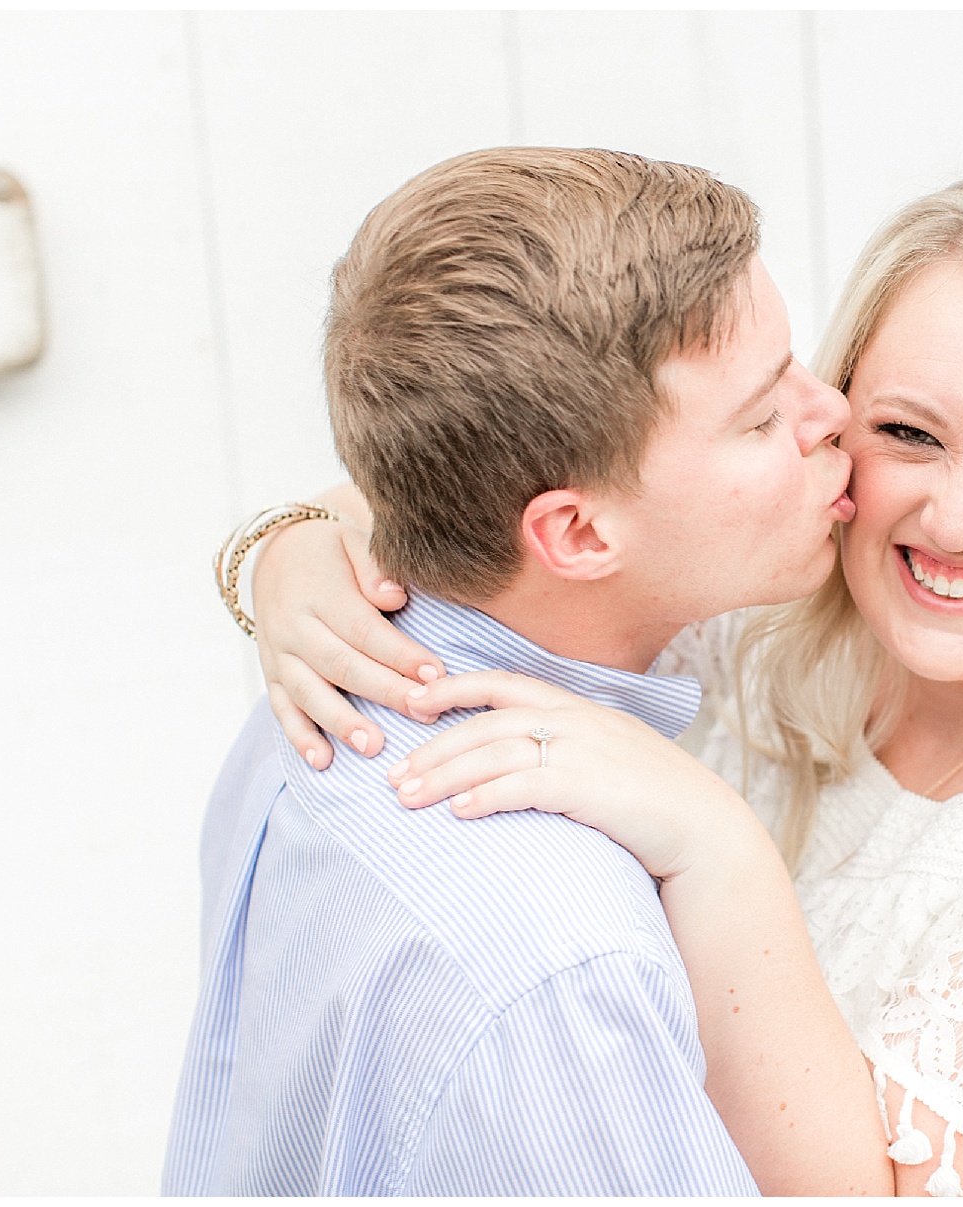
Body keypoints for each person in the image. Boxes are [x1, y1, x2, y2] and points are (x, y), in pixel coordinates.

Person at [251, 168, 963, 1196]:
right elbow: (530, 493)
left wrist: (717, 844)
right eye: (908, 433)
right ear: (839, 418)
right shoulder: (791, 614)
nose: (957, 518)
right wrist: (294, 549)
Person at [163, 147, 865, 1196]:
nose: (834, 414)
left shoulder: (307, 703)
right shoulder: (565, 968)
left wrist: (288, 535)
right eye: (762, 418)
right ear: (576, 532)